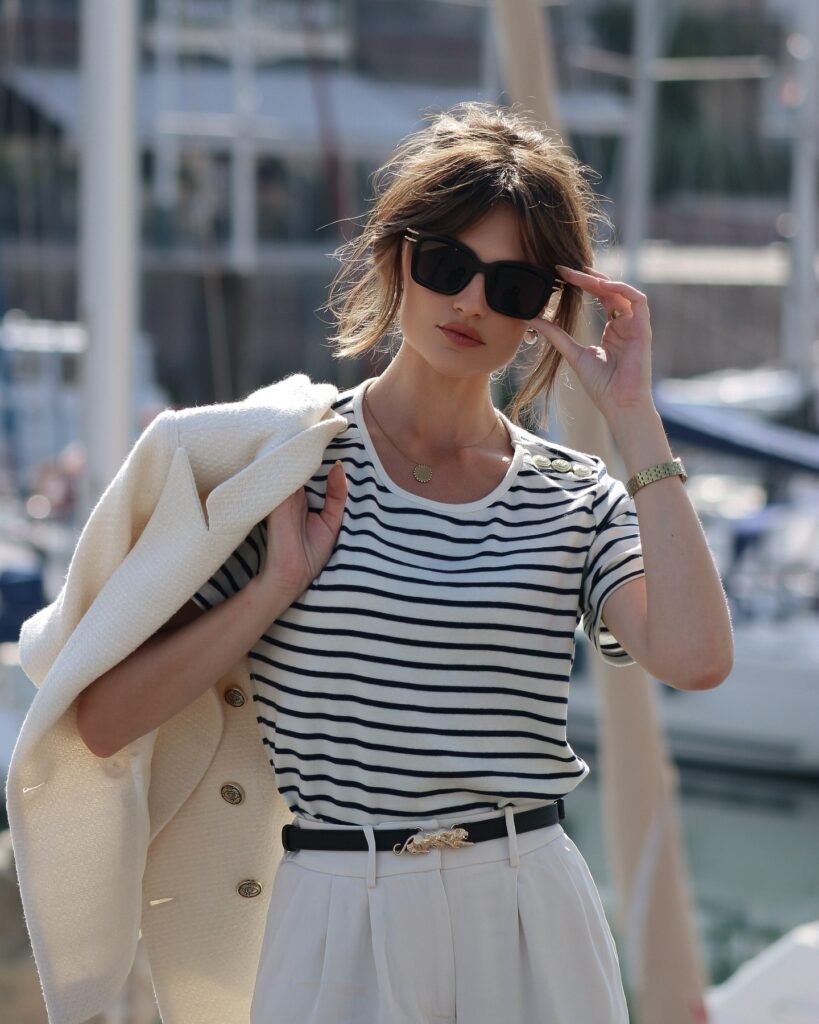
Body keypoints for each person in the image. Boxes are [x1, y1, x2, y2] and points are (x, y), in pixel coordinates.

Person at [78, 101, 735, 1023]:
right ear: (396, 258)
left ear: (544, 309)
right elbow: (105, 722)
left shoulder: (573, 498)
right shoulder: (284, 468)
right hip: (338, 908)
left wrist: (633, 418)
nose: (469, 301)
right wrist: (272, 588)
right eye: (446, 265)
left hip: (529, 906)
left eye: (510, 286)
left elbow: (697, 658)